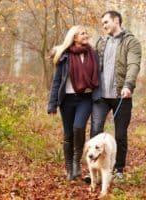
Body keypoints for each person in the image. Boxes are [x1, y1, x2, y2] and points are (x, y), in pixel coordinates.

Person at [90, 10, 142, 180]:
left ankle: (118, 170)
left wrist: (128, 85)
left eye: (106, 22)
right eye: (102, 23)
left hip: (122, 96)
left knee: (120, 134)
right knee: (96, 131)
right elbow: (89, 59)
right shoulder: (101, 41)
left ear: (116, 20)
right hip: (101, 97)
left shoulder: (131, 42)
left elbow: (133, 65)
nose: (104, 26)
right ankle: (95, 170)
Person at [47, 25, 99, 180]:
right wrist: (52, 104)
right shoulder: (65, 56)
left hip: (85, 98)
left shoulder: (92, 53)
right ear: (74, 37)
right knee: (68, 134)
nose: (86, 35)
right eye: (82, 33)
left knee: (79, 127)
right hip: (67, 100)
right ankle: (69, 168)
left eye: (86, 32)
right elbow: (57, 81)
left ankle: (76, 162)